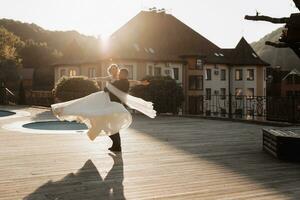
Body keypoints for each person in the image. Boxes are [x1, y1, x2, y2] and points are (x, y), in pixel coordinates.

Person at [104, 68, 129, 151]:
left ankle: (117, 146)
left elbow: (106, 89)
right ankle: (116, 146)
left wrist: (111, 82)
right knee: (114, 127)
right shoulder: (126, 82)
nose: (119, 74)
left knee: (109, 126)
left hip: (114, 107)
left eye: (120, 73)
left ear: (125, 75)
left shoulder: (120, 82)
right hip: (117, 106)